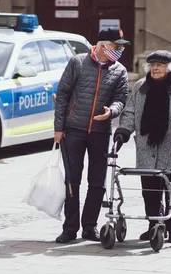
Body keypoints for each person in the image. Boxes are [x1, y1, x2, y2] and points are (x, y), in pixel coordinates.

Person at [53, 27, 130, 243]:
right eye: (117, 46)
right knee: (72, 180)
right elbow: (63, 95)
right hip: (73, 130)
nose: (121, 51)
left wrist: (112, 112)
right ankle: (70, 228)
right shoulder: (77, 63)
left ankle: (90, 226)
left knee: (97, 182)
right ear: (104, 45)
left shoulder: (119, 71)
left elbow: (120, 98)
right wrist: (59, 129)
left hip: (100, 132)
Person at [114, 50, 171, 243]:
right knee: (150, 190)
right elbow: (130, 111)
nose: (156, 69)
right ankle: (154, 224)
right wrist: (123, 131)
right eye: (152, 65)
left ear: (170, 68)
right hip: (147, 147)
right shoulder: (141, 87)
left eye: (160, 65)